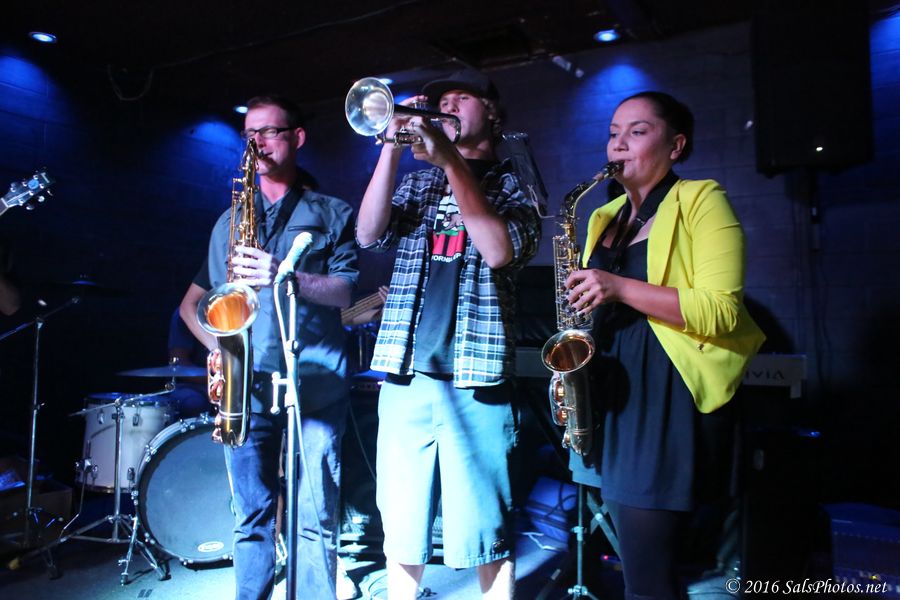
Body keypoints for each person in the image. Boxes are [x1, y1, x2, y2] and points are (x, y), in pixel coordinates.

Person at [564, 91, 765, 600]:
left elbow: (722, 311)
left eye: (637, 132)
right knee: (637, 569)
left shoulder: (702, 199)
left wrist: (617, 287)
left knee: (649, 581)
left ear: (676, 146)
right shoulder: (602, 216)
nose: (618, 144)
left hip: (663, 396)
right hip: (610, 391)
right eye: (613, 133)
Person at [355, 68, 541, 599]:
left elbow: (499, 251)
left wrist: (451, 163)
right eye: (442, 100)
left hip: (476, 376)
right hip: (405, 371)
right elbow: (368, 234)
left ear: (492, 112)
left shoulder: (515, 182)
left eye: (462, 97)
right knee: (402, 524)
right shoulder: (419, 182)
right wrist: (390, 146)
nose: (448, 106)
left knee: (485, 530)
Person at [179, 95, 358, 600]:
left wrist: (287, 276)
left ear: (296, 138)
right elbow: (191, 305)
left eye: (269, 131)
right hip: (247, 383)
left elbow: (346, 291)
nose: (257, 142)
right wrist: (222, 350)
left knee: (314, 513)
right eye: (249, 134)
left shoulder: (332, 212)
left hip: (315, 380)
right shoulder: (227, 222)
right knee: (251, 515)